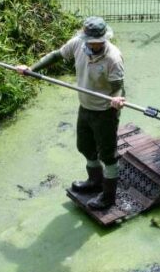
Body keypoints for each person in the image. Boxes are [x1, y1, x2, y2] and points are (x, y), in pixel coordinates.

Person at [16, 17, 126, 210]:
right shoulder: (78, 44)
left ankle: (108, 197)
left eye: (98, 42)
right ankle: (95, 181)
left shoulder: (113, 58)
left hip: (105, 112)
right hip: (85, 107)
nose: (94, 45)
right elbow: (56, 55)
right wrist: (31, 69)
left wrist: (117, 99)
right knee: (84, 146)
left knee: (108, 155)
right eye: (91, 41)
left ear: (103, 39)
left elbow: (118, 88)